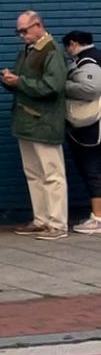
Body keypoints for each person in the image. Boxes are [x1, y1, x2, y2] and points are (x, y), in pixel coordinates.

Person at [0, 11, 68, 241]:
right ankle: (42, 220)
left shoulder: (52, 51)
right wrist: (11, 80)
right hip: (27, 120)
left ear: (38, 25)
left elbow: (53, 86)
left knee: (52, 173)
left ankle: (57, 223)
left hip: (44, 121)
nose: (21, 36)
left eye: (24, 30)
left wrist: (19, 81)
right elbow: (26, 82)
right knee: (34, 173)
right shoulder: (29, 51)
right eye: (18, 31)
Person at [63, 31, 101, 235]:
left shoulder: (88, 60)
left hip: (92, 127)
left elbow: (91, 88)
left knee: (91, 169)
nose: (68, 52)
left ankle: (98, 217)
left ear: (73, 44)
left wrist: (64, 85)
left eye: (67, 47)